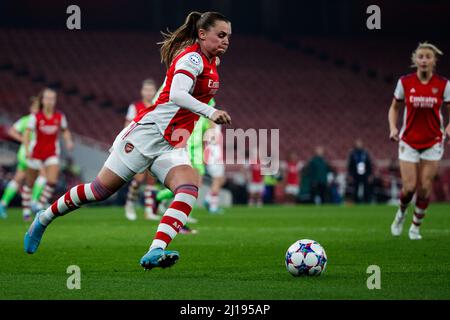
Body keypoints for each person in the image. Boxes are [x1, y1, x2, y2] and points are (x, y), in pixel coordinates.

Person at [24, 11, 232, 271]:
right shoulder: (192, 58)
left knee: (188, 187)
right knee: (98, 191)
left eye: (228, 37)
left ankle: (155, 250)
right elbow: (178, 94)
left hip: (170, 143)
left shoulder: (213, 63)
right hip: (147, 134)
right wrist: (211, 112)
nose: (226, 41)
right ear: (202, 34)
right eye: (221, 35)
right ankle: (42, 219)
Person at [389, 42, 450, 240]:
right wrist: (393, 127)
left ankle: (415, 227)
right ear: (415, 60)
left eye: (428, 57)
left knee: (425, 188)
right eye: (421, 56)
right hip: (409, 141)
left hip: (433, 142)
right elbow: (394, 108)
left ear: (434, 61)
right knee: (409, 188)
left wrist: (448, 129)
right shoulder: (405, 82)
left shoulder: (443, 84)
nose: (424, 60)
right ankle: (400, 214)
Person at [21, 88, 74, 220]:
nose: (50, 101)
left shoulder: (59, 116)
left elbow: (65, 130)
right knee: (29, 183)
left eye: (52, 99)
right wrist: (27, 150)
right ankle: (26, 211)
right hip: (36, 152)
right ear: (42, 100)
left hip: (52, 152)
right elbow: (27, 134)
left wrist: (68, 141)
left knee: (52, 181)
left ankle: (39, 204)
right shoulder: (36, 117)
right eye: (47, 98)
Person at [0, 97, 47, 220]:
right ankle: (34, 202)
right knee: (43, 174)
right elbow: (11, 131)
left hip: (30, 153)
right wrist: (24, 140)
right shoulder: (27, 120)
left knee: (18, 178)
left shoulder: (39, 121)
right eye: (36, 107)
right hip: (29, 153)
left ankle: (3, 203)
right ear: (32, 108)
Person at [123, 79, 159, 221]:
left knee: (151, 180)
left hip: (154, 146)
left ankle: (149, 211)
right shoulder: (135, 106)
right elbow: (127, 126)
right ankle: (130, 203)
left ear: (155, 92)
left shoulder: (158, 106)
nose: (149, 92)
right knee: (138, 179)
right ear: (142, 91)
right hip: (139, 147)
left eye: (151, 90)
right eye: (146, 89)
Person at [347, 138, 373, 203]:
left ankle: (366, 201)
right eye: (358, 143)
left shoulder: (365, 153)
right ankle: (356, 201)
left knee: (366, 188)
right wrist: (350, 175)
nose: (359, 145)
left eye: (360, 143)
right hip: (356, 174)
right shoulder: (352, 154)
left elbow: (369, 164)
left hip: (364, 173)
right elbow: (350, 165)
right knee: (355, 188)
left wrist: (370, 174)